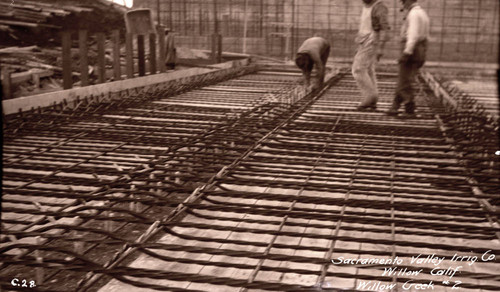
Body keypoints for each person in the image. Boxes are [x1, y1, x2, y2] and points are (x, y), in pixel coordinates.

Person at [387, 0, 429, 116]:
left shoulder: (413, 14)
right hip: (419, 48)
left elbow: (413, 35)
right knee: (404, 79)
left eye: (404, 1)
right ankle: (394, 107)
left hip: (412, 49)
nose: (402, 4)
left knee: (404, 81)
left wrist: (407, 52)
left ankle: (410, 108)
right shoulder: (422, 13)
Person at [352, 0, 390, 111]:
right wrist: (359, 45)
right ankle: (373, 99)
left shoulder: (379, 7)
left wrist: (381, 48)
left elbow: (385, 29)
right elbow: (363, 27)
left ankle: (369, 97)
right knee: (368, 69)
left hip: (372, 39)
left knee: (358, 69)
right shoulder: (366, 5)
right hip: (363, 40)